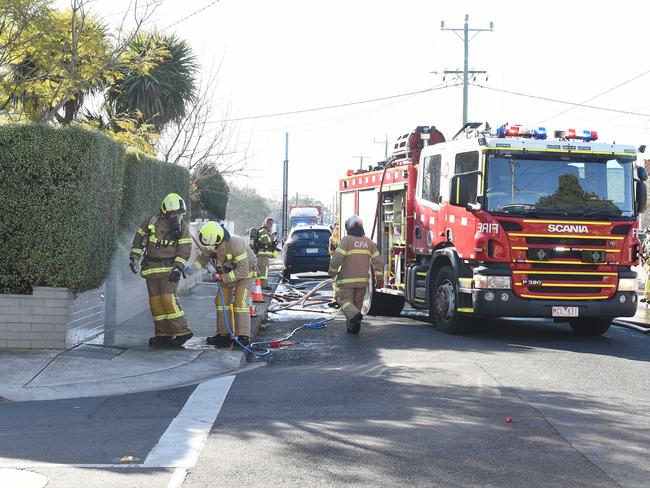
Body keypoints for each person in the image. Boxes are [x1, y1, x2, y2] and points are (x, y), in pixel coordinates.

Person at [129, 193, 194, 347]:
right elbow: (138, 240)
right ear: (165, 210)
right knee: (156, 302)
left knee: (168, 299)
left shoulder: (182, 227)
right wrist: (134, 258)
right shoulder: (151, 221)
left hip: (169, 269)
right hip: (151, 268)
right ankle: (163, 334)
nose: (176, 217)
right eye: (174, 213)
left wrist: (178, 267)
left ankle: (182, 332)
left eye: (179, 214)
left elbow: (185, 248)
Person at [186, 221, 257, 348]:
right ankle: (223, 335)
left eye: (211, 245)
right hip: (226, 274)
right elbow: (202, 259)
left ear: (218, 238)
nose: (209, 248)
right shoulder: (211, 245)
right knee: (221, 302)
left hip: (245, 275)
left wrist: (221, 277)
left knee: (240, 303)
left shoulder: (236, 243)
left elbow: (243, 270)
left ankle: (243, 336)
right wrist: (189, 269)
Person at [328, 215, 383, 334]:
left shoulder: (346, 240)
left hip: (347, 281)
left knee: (344, 301)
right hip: (363, 282)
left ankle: (355, 316)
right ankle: (352, 326)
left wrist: (332, 271)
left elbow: (336, 258)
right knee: (357, 304)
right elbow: (377, 261)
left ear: (348, 228)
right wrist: (379, 278)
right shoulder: (368, 242)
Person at [256, 217, 277, 289]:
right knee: (263, 271)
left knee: (264, 270)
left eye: (272, 224)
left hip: (264, 255)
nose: (270, 225)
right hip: (262, 255)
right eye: (269, 224)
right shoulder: (264, 231)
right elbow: (265, 241)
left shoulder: (265, 231)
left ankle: (262, 284)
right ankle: (263, 285)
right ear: (266, 223)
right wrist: (273, 236)